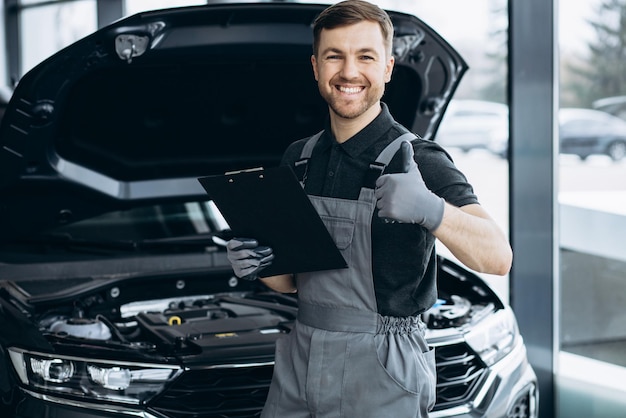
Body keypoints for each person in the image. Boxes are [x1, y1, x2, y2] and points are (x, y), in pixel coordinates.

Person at [226, 1, 513, 417]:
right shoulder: (299, 159)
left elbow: (498, 257)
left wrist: (433, 210)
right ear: (315, 66)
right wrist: (260, 262)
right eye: (334, 56)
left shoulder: (419, 159)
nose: (349, 72)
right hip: (299, 361)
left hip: (382, 368)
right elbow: (292, 283)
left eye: (365, 57)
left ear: (388, 67)